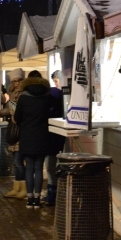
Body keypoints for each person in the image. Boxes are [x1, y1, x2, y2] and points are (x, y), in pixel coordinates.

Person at [14, 70, 55, 209]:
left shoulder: (23, 97)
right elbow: (54, 113)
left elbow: (17, 118)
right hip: (43, 135)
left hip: (27, 136)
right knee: (38, 168)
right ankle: (37, 198)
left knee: (29, 167)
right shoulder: (48, 96)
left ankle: (29, 198)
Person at [0, 68, 26, 198]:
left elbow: (14, 112)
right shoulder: (13, 94)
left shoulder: (23, 95)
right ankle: (17, 187)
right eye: (14, 81)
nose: (16, 84)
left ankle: (22, 188)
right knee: (16, 161)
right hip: (14, 129)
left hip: (21, 130)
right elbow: (9, 110)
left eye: (19, 81)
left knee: (19, 161)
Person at [44, 70, 67, 205]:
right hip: (58, 137)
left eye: (57, 81)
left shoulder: (53, 94)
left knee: (50, 167)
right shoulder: (59, 95)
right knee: (53, 167)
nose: (56, 83)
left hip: (51, 137)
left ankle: (52, 195)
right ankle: (54, 194)